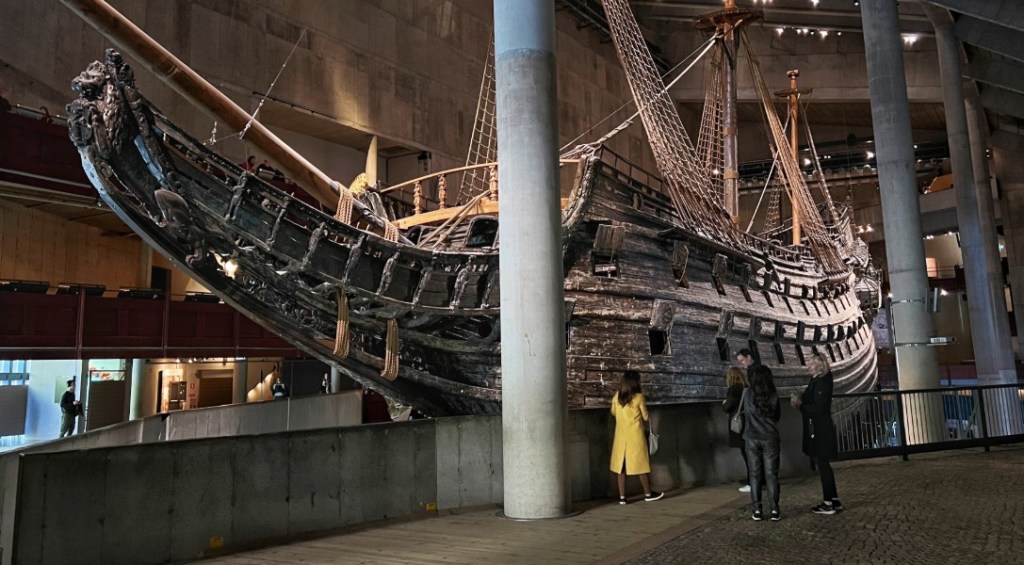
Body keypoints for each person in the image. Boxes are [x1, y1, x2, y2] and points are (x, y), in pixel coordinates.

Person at [791, 351, 843, 515]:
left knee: (823, 465)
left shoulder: (821, 382)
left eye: (812, 364)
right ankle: (833, 500)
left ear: (820, 365)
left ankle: (828, 503)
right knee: (824, 465)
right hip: (820, 427)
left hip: (820, 429)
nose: (809, 367)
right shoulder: (819, 380)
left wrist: (801, 406)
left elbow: (819, 408)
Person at [609, 371, 663, 504]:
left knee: (621, 467)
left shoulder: (617, 397)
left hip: (621, 437)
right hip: (635, 436)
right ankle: (648, 493)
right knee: (641, 466)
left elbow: (613, 412)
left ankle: (622, 497)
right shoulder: (639, 398)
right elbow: (645, 416)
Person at [743, 365, 782, 521]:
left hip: (751, 437)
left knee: (754, 475)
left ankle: (757, 510)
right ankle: (774, 510)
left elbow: (745, 414)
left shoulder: (747, 394)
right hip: (770, 437)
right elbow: (777, 416)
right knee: (772, 475)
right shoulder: (773, 394)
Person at [722, 366, 752, 493]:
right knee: (751, 454)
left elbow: (729, 405)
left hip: (739, 425)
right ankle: (757, 479)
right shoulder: (746, 387)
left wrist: (724, 404)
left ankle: (752, 483)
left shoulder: (733, 389)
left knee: (746, 454)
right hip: (749, 422)